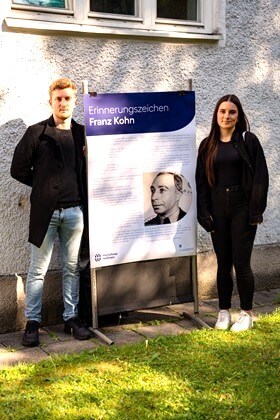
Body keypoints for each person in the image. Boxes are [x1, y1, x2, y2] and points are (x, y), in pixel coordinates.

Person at [11, 77, 91, 346]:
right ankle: (33, 323)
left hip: (75, 212)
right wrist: (43, 186)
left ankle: (71, 318)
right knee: (37, 270)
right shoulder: (37, 132)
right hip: (46, 213)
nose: (63, 103)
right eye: (58, 98)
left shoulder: (82, 133)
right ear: (51, 101)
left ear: (75, 101)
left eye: (67, 98)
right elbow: (18, 168)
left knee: (71, 268)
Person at [196, 94, 269, 332]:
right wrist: (204, 213)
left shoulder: (248, 141)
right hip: (218, 208)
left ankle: (246, 312)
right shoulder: (207, 145)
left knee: (241, 262)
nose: (226, 116)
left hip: (242, 208)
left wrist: (255, 211)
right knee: (223, 263)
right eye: (222, 111)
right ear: (216, 115)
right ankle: (224, 311)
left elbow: (260, 178)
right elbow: (201, 182)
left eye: (232, 112)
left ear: (239, 116)